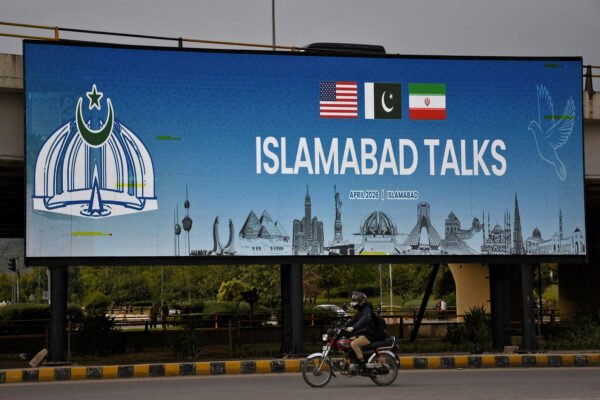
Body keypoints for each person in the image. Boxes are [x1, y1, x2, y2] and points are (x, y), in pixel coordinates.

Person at [341, 291, 377, 372]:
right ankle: (353, 360)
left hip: (368, 335)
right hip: (361, 334)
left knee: (354, 344)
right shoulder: (360, 311)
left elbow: (363, 320)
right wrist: (341, 327)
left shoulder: (367, 310)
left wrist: (353, 327)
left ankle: (362, 363)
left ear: (362, 301)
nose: (354, 303)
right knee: (347, 341)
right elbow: (352, 320)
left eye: (356, 301)